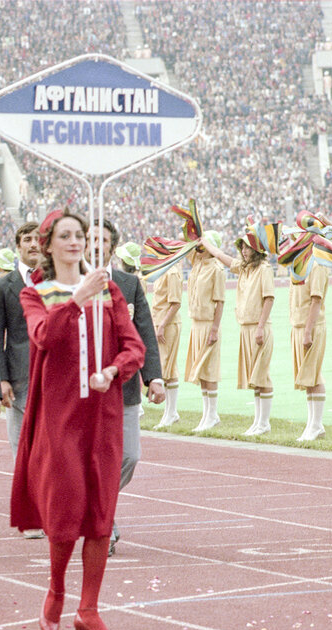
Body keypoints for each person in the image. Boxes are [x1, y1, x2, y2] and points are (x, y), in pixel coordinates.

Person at [11, 209, 144, 630]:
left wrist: (114, 371)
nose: (74, 242)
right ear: (47, 245)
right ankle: (55, 592)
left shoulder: (111, 292)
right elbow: (44, 337)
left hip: (102, 417)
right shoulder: (36, 293)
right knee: (66, 510)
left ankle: (89, 610)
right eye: (65, 236)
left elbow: (134, 346)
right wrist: (77, 298)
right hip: (61, 417)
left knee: (101, 512)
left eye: (80, 235)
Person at [90, 220, 164, 557]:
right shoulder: (67, 285)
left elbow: (144, 330)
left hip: (124, 388)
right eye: (89, 239)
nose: (95, 245)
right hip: (84, 390)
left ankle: (96, 506)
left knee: (129, 456)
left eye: (102, 240)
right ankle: (103, 521)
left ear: (112, 246)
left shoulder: (128, 283)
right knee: (87, 458)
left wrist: (154, 377)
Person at [0, 222, 44, 538]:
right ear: (18, 246)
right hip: (20, 378)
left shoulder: (60, 281)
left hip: (56, 376)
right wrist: (0, 379)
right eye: (27, 239)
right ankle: (32, 515)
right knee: (25, 447)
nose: (33, 244)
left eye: (39, 239)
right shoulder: (2, 287)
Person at [201, 230, 275, 435]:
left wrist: (260, 327)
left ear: (256, 249)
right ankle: (258, 421)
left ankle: (264, 422)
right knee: (254, 378)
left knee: (262, 376)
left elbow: (269, 298)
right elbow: (220, 256)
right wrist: (204, 242)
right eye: (241, 247)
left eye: (247, 247)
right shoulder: (243, 268)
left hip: (258, 327)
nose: (243, 251)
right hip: (245, 327)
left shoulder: (264, 269)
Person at [183, 232, 226, 432]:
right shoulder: (198, 264)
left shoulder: (216, 269)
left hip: (209, 323)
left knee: (209, 370)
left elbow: (220, 302)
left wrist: (215, 328)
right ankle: (207, 414)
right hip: (196, 323)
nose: (200, 249)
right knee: (200, 371)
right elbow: (187, 246)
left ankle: (212, 413)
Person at [291, 260, 329, 441]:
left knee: (314, 374)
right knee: (307, 376)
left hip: (312, 325)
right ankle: (312, 423)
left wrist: (308, 331)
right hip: (298, 324)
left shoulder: (317, 265)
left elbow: (316, 299)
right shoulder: (299, 262)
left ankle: (316, 424)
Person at [151, 264, 183, 427]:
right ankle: (170, 412)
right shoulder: (162, 271)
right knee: (166, 368)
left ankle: (171, 412)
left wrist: (162, 325)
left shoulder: (172, 273)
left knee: (168, 366)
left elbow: (176, 303)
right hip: (160, 322)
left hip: (168, 324)